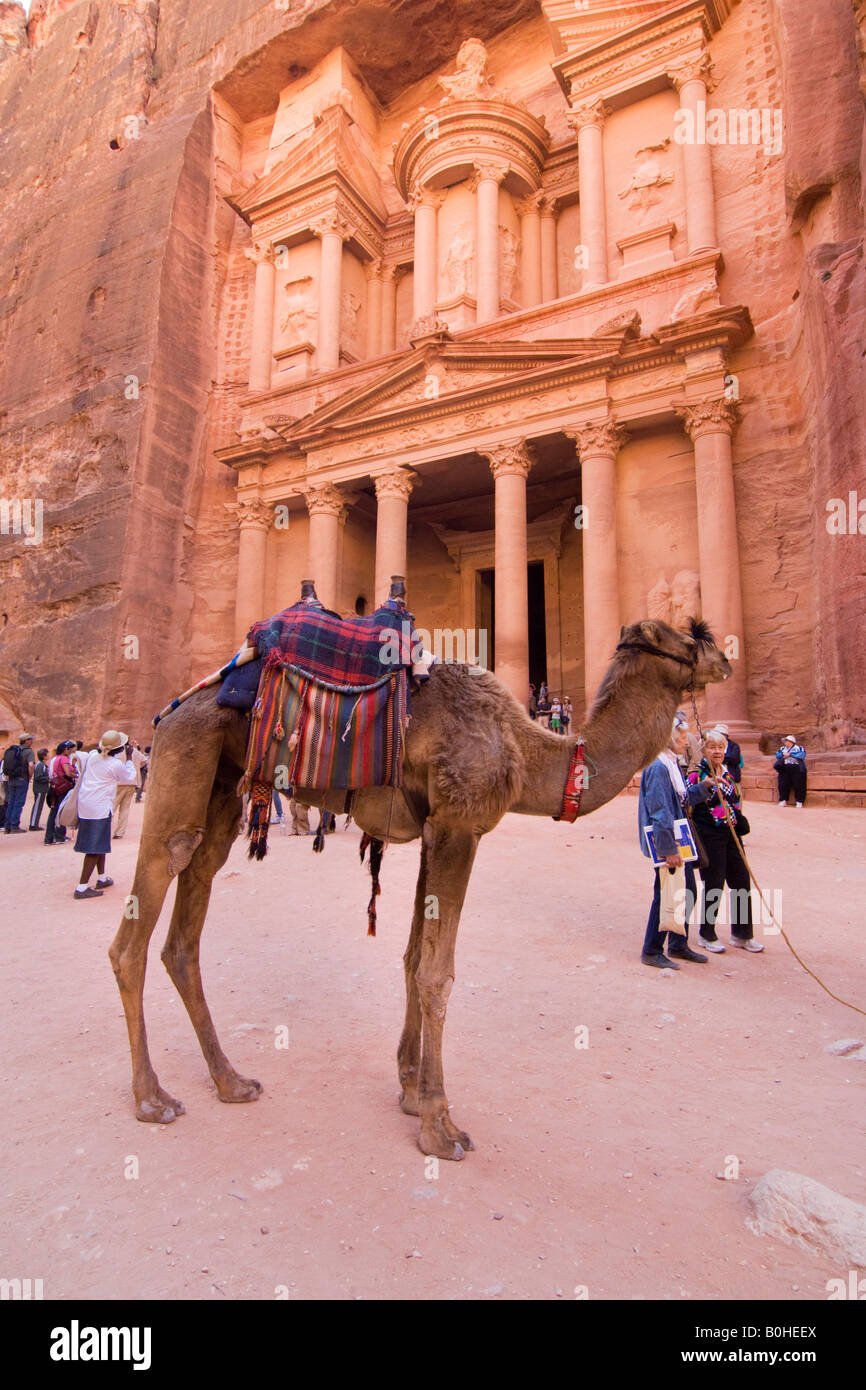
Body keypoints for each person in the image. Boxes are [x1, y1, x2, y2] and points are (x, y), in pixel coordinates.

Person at [638, 714, 715, 969]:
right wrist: (668, 849)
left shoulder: (670, 764)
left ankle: (678, 944)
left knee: (687, 891)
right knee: (666, 894)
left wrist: (705, 786)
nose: (687, 742)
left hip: (678, 837)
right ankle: (651, 950)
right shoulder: (658, 767)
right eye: (682, 738)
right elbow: (660, 810)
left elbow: (680, 800)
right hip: (668, 841)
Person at [688, 730, 765, 953]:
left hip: (731, 834)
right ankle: (707, 934)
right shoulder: (697, 773)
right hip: (709, 834)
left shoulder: (728, 773)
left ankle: (742, 935)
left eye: (720, 747)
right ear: (704, 750)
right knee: (714, 883)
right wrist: (707, 785)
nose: (717, 751)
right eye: (712, 747)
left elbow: (735, 800)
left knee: (741, 881)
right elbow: (687, 798)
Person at [72, 730, 136, 899]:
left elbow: (80, 755)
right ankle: (82, 887)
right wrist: (129, 758)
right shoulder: (115, 764)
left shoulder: (93, 756)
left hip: (87, 805)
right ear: (120, 749)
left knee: (100, 843)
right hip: (99, 808)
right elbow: (129, 777)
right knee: (93, 848)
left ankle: (102, 878)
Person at [2, 733, 35, 834]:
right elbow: (30, 765)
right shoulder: (28, 752)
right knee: (18, 802)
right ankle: (14, 826)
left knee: (11, 801)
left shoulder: (13, 750)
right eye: (30, 739)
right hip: (22, 778)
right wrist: (30, 776)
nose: (32, 741)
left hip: (12, 779)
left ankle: (7, 826)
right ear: (26, 741)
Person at [45, 741, 76, 845]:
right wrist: (75, 776)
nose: (70, 750)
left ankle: (49, 837)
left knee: (53, 812)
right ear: (64, 750)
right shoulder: (63, 759)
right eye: (68, 749)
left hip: (54, 787)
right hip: (63, 788)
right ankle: (59, 836)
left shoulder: (54, 759)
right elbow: (67, 772)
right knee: (61, 811)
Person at [112, 739, 146, 837]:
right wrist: (137, 768)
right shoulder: (135, 751)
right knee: (125, 808)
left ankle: (105, 830)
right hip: (132, 782)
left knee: (112, 806)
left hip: (119, 782)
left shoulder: (117, 752)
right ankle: (119, 833)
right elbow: (144, 761)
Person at [775, 734, 807, 807]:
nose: (785, 742)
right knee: (783, 784)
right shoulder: (782, 748)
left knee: (799, 784)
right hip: (785, 768)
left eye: (786, 741)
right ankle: (783, 800)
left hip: (797, 768)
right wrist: (783, 754)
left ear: (791, 742)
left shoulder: (799, 748)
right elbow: (777, 756)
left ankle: (799, 801)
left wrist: (790, 754)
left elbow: (802, 755)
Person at [29, 748, 50, 830]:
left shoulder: (42, 765)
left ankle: (35, 824)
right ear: (44, 756)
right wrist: (49, 779)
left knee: (39, 806)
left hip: (42, 789)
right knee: (37, 807)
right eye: (47, 754)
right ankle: (33, 825)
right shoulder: (40, 765)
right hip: (39, 789)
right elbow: (38, 777)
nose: (48, 755)